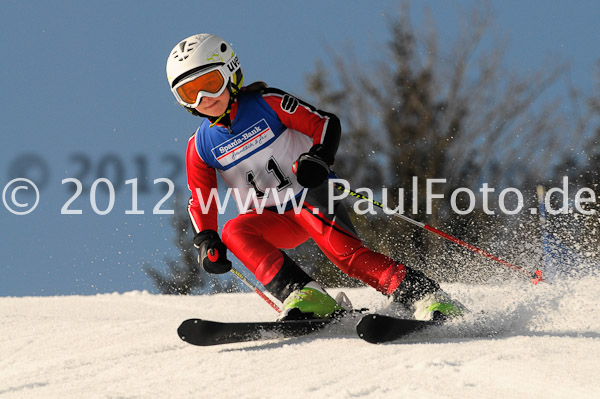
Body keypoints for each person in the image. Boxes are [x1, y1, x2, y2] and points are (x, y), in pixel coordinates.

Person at [166, 33, 462, 321]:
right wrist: (206, 239)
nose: (204, 98)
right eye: (190, 93)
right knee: (234, 231)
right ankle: (305, 294)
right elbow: (201, 198)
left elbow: (325, 123)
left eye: (210, 84)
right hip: (275, 217)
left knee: (346, 257)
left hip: (311, 195)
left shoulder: (265, 104)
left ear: (232, 73)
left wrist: (319, 157)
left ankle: (425, 295)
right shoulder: (201, 146)